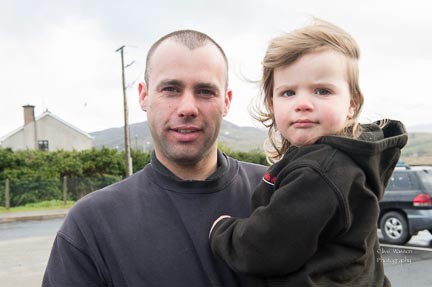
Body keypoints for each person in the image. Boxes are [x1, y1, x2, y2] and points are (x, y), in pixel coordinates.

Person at [43, 30, 266, 287]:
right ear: (143, 96)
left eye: (205, 91)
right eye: (171, 89)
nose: (187, 108)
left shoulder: (280, 194)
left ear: (226, 101)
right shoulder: (91, 223)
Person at [209, 19, 408, 286]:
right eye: (288, 92)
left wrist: (223, 230)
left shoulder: (321, 172)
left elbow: (267, 247)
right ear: (272, 103)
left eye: (322, 91)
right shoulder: (345, 163)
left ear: (352, 104)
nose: (303, 103)